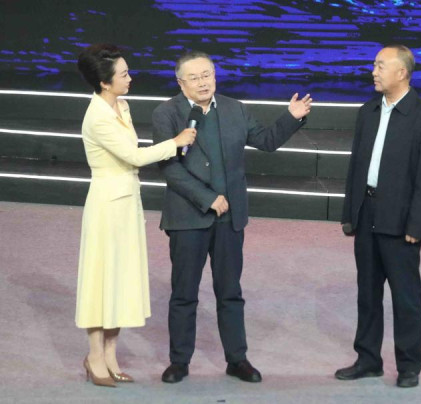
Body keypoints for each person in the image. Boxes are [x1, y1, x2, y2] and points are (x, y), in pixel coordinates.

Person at [152, 51, 312, 384]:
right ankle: (179, 361)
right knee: (184, 293)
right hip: (188, 218)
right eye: (194, 77)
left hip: (229, 220)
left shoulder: (234, 108)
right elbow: (169, 168)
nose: (203, 82)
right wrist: (207, 199)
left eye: (207, 75)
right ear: (180, 82)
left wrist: (291, 117)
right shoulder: (166, 113)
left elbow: (266, 141)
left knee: (230, 292)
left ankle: (237, 359)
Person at [75, 43, 196, 387]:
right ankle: (94, 356)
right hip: (106, 206)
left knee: (120, 279)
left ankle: (111, 355)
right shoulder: (98, 117)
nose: (130, 78)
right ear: (104, 82)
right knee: (101, 281)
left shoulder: (122, 106)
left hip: (127, 202)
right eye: (124, 74)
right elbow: (134, 156)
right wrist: (176, 141)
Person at [335, 44, 421, 388]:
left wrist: (418, 223)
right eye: (375, 65)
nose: (374, 72)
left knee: (405, 296)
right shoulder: (367, 111)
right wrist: (349, 213)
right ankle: (368, 359)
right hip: (367, 212)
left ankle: (409, 365)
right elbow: (356, 167)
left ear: (402, 72)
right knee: (367, 293)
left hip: (400, 220)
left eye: (381, 66)